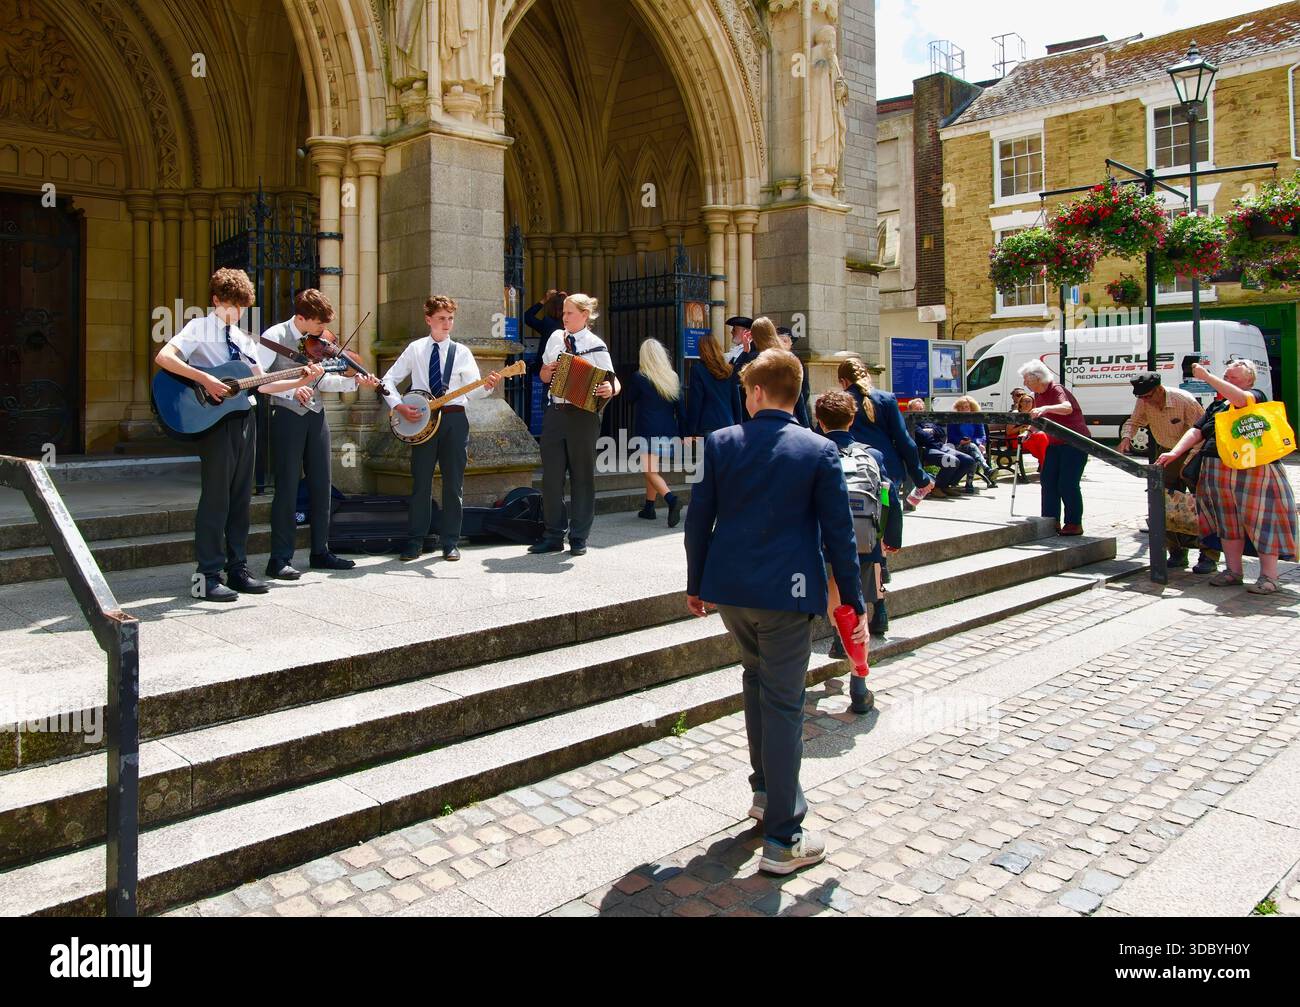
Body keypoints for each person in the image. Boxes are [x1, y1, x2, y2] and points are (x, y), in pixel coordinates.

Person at [684, 348, 867, 876]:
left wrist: (696, 583)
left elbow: (700, 520)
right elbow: (839, 534)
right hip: (788, 593)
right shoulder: (819, 449)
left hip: (732, 590)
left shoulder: (721, 442)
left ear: (758, 392)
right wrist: (851, 599)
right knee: (784, 704)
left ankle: (765, 793)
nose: (744, 398)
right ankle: (785, 837)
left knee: (754, 680)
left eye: (746, 390)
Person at [155, 268, 323, 601]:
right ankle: (207, 574)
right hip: (213, 421)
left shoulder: (245, 339)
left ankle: (237, 568)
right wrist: (204, 379)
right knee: (216, 497)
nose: (237, 312)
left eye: (243, 307)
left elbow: (264, 385)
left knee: (241, 499)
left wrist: (300, 381)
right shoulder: (199, 327)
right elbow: (164, 357)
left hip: (244, 418)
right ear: (216, 300)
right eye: (232, 305)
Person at [260, 288, 380, 580]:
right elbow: (260, 380)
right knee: (287, 487)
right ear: (301, 317)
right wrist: (291, 388)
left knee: (322, 485)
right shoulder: (273, 337)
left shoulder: (318, 342)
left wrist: (355, 384)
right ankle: (279, 558)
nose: (324, 332)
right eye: (318, 325)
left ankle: (320, 551)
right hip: (287, 415)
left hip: (316, 416)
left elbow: (323, 380)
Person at [1156, 360, 1297, 594]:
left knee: (1261, 520)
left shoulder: (1255, 395)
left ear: (1249, 381)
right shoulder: (1217, 406)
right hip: (1216, 467)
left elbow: (1241, 399)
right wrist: (1175, 451)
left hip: (1253, 468)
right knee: (1226, 521)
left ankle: (1270, 577)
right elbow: (1197, 430)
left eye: (1234, 378)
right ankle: (1233, 571)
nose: (1228, 381)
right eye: (1226, 377)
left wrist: (1207, 377)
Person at [381, 295, 502, 562]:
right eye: (441, 319)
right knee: (420, 483)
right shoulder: (415, 349)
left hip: (454, 420)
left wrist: (489, 385)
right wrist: (398, 406)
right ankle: (415, 541)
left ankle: (450, 542)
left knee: (453, 484)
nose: (447, 324)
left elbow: (476, 391)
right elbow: (387, 379)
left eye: (450, 319)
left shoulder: (461, 352)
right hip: (422, 421)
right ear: (428, 320)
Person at [815, 390, 900, 709]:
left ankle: (838, 635)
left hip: (823, 538)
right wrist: (890, 537)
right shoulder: (874, 455)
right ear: (853, 418)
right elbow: (889, 499)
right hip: (863, 537)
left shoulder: (814, 452)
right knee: (858, 603)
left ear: (819, 421)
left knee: (834, 593)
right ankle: (859, 685)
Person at [837, 357, 932, 635]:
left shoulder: (842, 401)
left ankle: (871, 594)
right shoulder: (886, 399)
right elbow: (904, 440)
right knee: (878, 535)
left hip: (854, 476)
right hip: (886, 476)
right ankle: (880, 609)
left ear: (843, 381)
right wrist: (920, 475)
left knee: (863, 533)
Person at [530, 293, 620, 556]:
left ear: (584, 315)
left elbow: (614, 381)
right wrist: (549, 370)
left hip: (584, 416)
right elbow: (544, 375)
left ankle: (579, 537)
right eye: (564, 312)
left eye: (569, 313)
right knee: (551, 477)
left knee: (582, 477)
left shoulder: (596, 345)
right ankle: (553, 535)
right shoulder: (555, 339)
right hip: (555, 412)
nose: (564, 317)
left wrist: (609, 389)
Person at [1118, 372, 1218, 574]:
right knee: (1164, 503)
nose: (1144, 401)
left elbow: (1203, 430)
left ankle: (1209, 555)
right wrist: (1127, 437)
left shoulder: (1184, 401)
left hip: (1193, 452)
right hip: (1165, 452)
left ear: (1159, 390)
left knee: (1202, 503)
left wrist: (1189, 460)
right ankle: (1177, 552)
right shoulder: (1144, 401)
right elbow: (1134, 421)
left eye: (1147, 396)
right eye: (1141, 397)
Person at [1020, 360, 1090, 535]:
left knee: (1067, 483)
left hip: (1074, 442)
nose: (1024, 384)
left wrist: (1045, 408)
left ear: (1038, 378)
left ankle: (1074, 523)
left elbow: (1067, 408)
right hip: (1055, 442)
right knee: (1048, 481)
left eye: (1027, 380)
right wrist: (1029, 431)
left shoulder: (1055, 389)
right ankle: (1050, 521)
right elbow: (1039, 418)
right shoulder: (1038, 394)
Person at [624, 337, 684, 526]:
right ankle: (649, 507)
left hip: (648, 430)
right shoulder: (672, 377)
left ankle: (672, 499)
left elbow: (629, 398)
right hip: (668, 430)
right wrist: (683, 433)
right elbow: (680, 407)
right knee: (652, 470)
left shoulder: (640, 377)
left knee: (649, 471)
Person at [686, 331, 742, 439]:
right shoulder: (729, 370)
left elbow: (696, 402)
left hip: (707, 427)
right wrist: (738, 425)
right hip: (729, 425)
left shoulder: (697, 370)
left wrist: (691, 430)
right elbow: (736, 401)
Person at [913, 407, 976, 496]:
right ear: (911, 410)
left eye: (922, 409)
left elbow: (942, 433)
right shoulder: (912, 422)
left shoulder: (930, 421)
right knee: (953, 460)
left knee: (969, 461)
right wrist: (933, 434)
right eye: (917, 409)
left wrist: (932, 431)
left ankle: (945, 485)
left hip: (940, 447)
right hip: (925, 449)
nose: (920, 411)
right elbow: (923, 437)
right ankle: (936, 487)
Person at [947, 396, 998, 493]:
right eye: (961, 408)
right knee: (973, 448)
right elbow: (951, 437)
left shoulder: (976, 419)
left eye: (966, 407)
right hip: (957, 446)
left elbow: (982, 436)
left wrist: (976, 442)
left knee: (972, 451)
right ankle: (985, 470)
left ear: (972, 408)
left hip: (973, 446)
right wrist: (961, 441)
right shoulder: (953, 420)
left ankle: (970, 483)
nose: (963, 409)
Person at [778, 325, 812, 427]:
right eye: (780, 341)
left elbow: (805, 389)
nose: (781, 344)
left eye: (785, 341)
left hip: (793, 408)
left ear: (790, 343)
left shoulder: (795, 359)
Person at [1009, 386, 1049, 468]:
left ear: (1033, 404)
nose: (1027, 403)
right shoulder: (1016, 413)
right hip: (1015, 439)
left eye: (1029, 401)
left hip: (1030, 437)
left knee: (1043, 436)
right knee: (1038, 438)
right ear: (1020, 403)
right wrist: (1023, 426)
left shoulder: (1034, 414)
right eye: (1025, 401)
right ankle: (1045, 465)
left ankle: (1045, 464)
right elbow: (1009, 432)